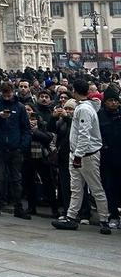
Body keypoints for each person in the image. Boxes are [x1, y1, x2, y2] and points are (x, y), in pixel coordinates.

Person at [52, 80, 112, 234]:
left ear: (75, 91)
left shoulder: (84, 109)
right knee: (76, 188)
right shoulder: (86, 106)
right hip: (80, 153)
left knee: (95, 187)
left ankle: (104, 219)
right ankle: (71, 217)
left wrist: (78, 155)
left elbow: (84, 134)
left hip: (86, 155)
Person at [0, 82, 31, 219]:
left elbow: (26, 128)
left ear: (13, 92)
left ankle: (18, 207)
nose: (7, 98)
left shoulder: (20, 107)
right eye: (4, 95)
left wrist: (22, 146)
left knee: (16, 179)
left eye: (9, 95)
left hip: (15, 148)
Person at [98, 85, 121, 228]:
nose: (114, 103)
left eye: (116, 100)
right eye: (111, 100)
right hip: (107, 159)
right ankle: (113, 214)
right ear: (105, 101)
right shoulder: (99, 116)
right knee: (110, 187)